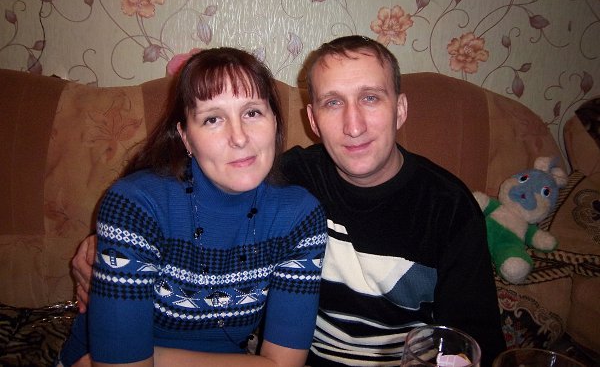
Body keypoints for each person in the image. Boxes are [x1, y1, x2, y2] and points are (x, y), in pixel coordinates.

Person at [71, 36, 506, 366]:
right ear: (312, 119)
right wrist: (105, 247)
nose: (354, 125)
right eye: (333, 103)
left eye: (371, 98)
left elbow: (470, 345)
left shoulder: (447, 207)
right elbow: (181, 194)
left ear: (401, 109)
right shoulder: (285, 175)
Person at [59, 47, 327, 367]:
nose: (239, 137)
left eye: (252, 112)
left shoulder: (299, 216)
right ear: (185, 137)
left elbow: (283, 363)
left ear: (275, 122)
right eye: (213, 119)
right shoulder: (135, 206)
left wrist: (151, 357)